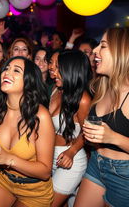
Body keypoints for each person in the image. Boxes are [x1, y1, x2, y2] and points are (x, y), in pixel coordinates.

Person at [0, 56, 55, 207]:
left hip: (34, 190)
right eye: (6, 69)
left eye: (16, 70)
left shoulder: (40, 116)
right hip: (3, 180)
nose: (7, 73)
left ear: (28, 81)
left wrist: (8, 158)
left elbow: (45, 171)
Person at [74, 28, 129, 207]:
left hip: (124, 175)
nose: (95, 51)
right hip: (97, 164)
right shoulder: (102, 87)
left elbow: (112, 135)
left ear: (121, 52)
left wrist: (113, 137)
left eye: (102, 46)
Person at [49, 50, 92, 207]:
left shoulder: (83, 100)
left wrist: (72, 151)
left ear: (71, 70)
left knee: (48, 203)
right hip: (51, 157)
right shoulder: (56, 90)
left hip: (70, 159)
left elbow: (88, 132)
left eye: (60, 68)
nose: (55, 72)